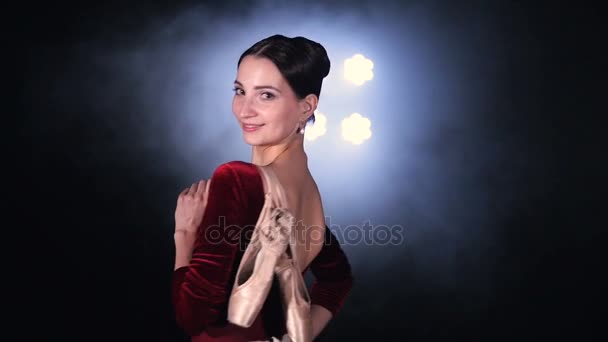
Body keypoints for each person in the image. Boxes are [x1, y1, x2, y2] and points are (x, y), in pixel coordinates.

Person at [171, 34, 354, 341]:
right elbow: (338, 282)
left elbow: (193, 317)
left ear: (306, 107)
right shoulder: (312, 201)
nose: (245, 110)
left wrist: (184, 236)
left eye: (266, 95)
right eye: (240, 91)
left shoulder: (239, 181)